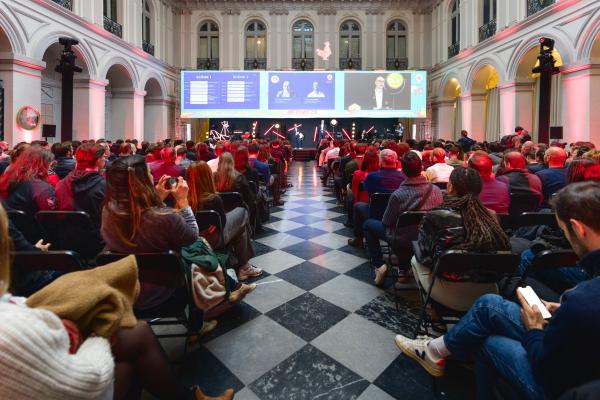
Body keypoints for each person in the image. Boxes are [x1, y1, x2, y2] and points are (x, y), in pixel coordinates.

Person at [0, 202, 234, 400]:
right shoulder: (11, 330)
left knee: (131, 356)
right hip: (162, 294)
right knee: (134, 341)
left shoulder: (108, 212)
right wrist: (96, 336)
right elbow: (87, 381)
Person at [395, 181, 600, 400]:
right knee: (489, 304)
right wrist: (562, 310)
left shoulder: (583, 300)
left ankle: (444, 350)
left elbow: (547, 368)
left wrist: (534, 330)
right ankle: (435, 350)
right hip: (578, 344)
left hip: (566, 382)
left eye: (563, 231)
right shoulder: (583, 299)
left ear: (578, 228)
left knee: (491, 343)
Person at [413, 166, 511, 311]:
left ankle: (433, 309)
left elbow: (425, 252)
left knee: (415, 257)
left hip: (449, 291)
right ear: (479, 189)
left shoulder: (436, 215)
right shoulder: (491, 216)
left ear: (450, 187)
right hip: (488, 290)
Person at [365, 152, 444, 285]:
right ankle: (403, 269)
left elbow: (387, 221)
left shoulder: (398, 194)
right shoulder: (436, 190)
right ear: (421, 168)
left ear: (402, 169)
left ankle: (379, 265)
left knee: (368, 224)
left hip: (402, 239)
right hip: (427, 238)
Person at [187, 161, 262, 281]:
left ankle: (244, 266)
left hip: (192, 239)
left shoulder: (183, 199)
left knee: (241, 231)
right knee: (242, 212)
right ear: (208, 177)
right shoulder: (213, 199)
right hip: (214, 239)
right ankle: (244, 267)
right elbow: (222, 223)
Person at [348, 149, 405, 248]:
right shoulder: (403, 177)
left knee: (358, 206)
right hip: (398, 215)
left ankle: (359, 239)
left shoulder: (372, 177)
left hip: (376, 214)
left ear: (380, 161)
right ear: (396, 161)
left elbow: (366, 190)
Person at [55, 142, 106, 228]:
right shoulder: (104, 185)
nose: (105, 159)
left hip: (66, 234)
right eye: (103, 157)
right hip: (97, 236)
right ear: (98, 161)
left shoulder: (62, 183)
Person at [0, 146, 56, 216]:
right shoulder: (40, 187)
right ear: (44, 165)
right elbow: (50, 216)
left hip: (6, 224)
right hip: (28, 225)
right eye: (50, 165)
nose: (50, 168)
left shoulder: (9, 177)